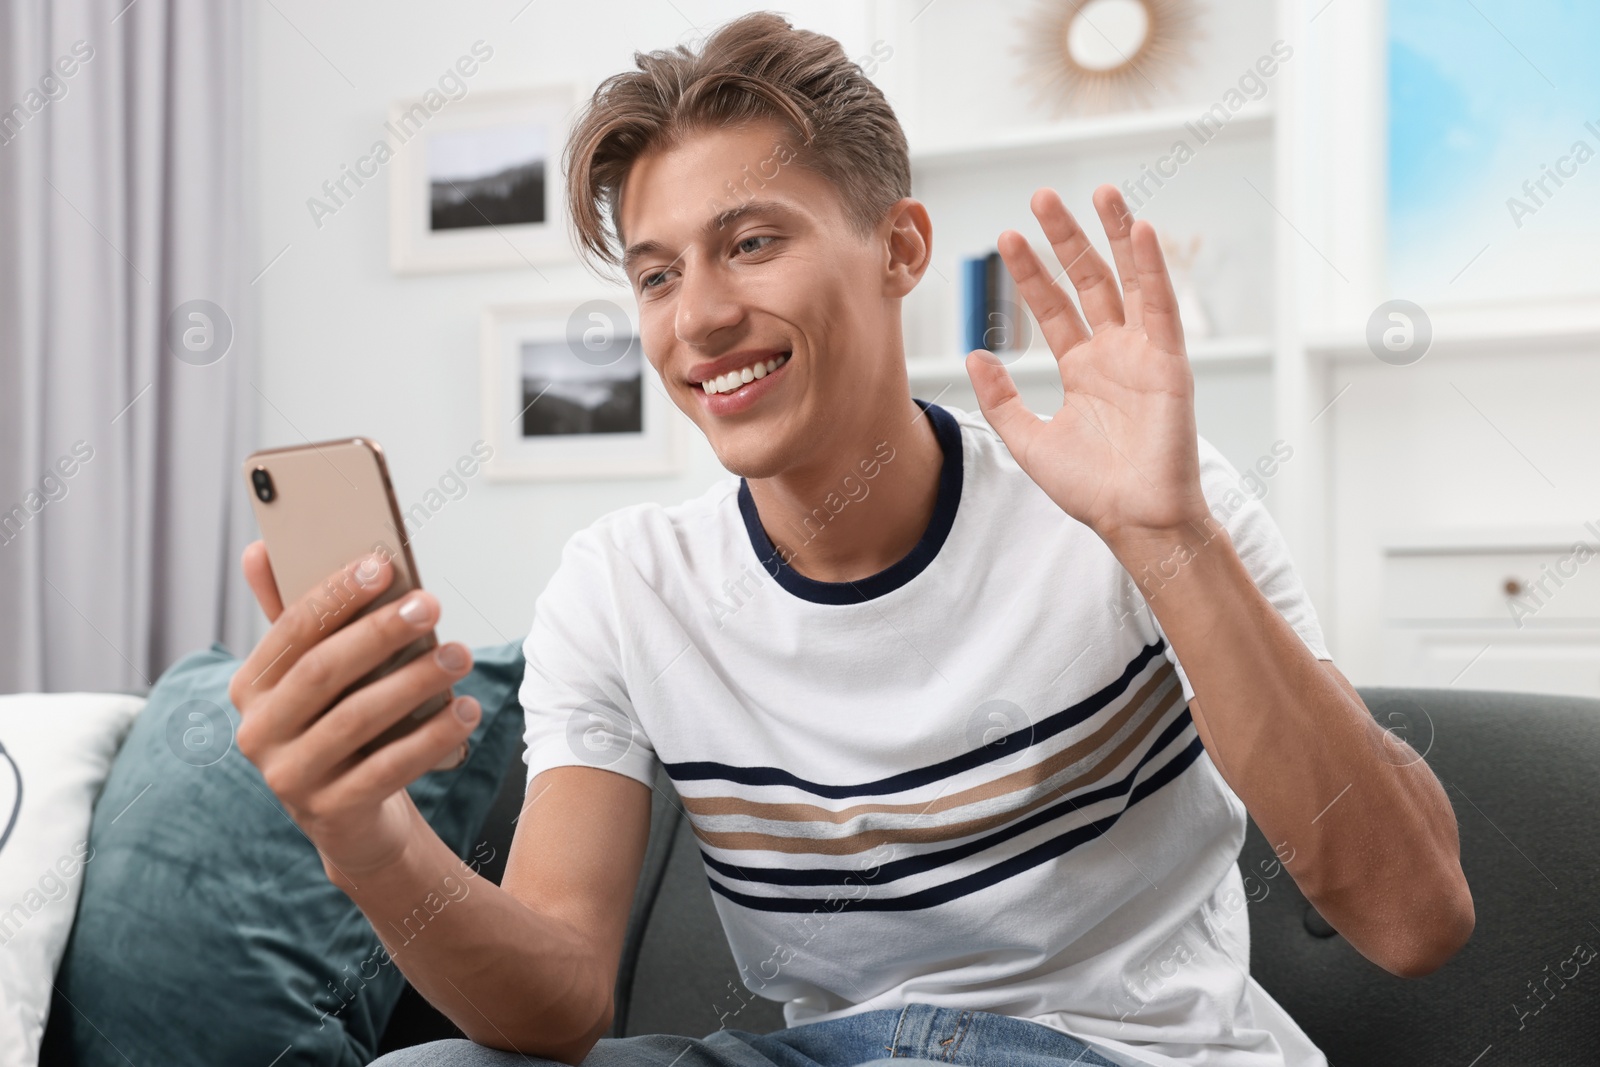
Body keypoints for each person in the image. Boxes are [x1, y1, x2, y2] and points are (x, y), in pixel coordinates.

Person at [230, 12, 1473, 1067]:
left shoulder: (1142, 501)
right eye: (657, 276)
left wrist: (1167, 540)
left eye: (751, 242)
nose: (700, 318)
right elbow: (558, 997)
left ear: (901, 249)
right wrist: (365, 834)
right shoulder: (622, 590)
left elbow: (1414, 916)